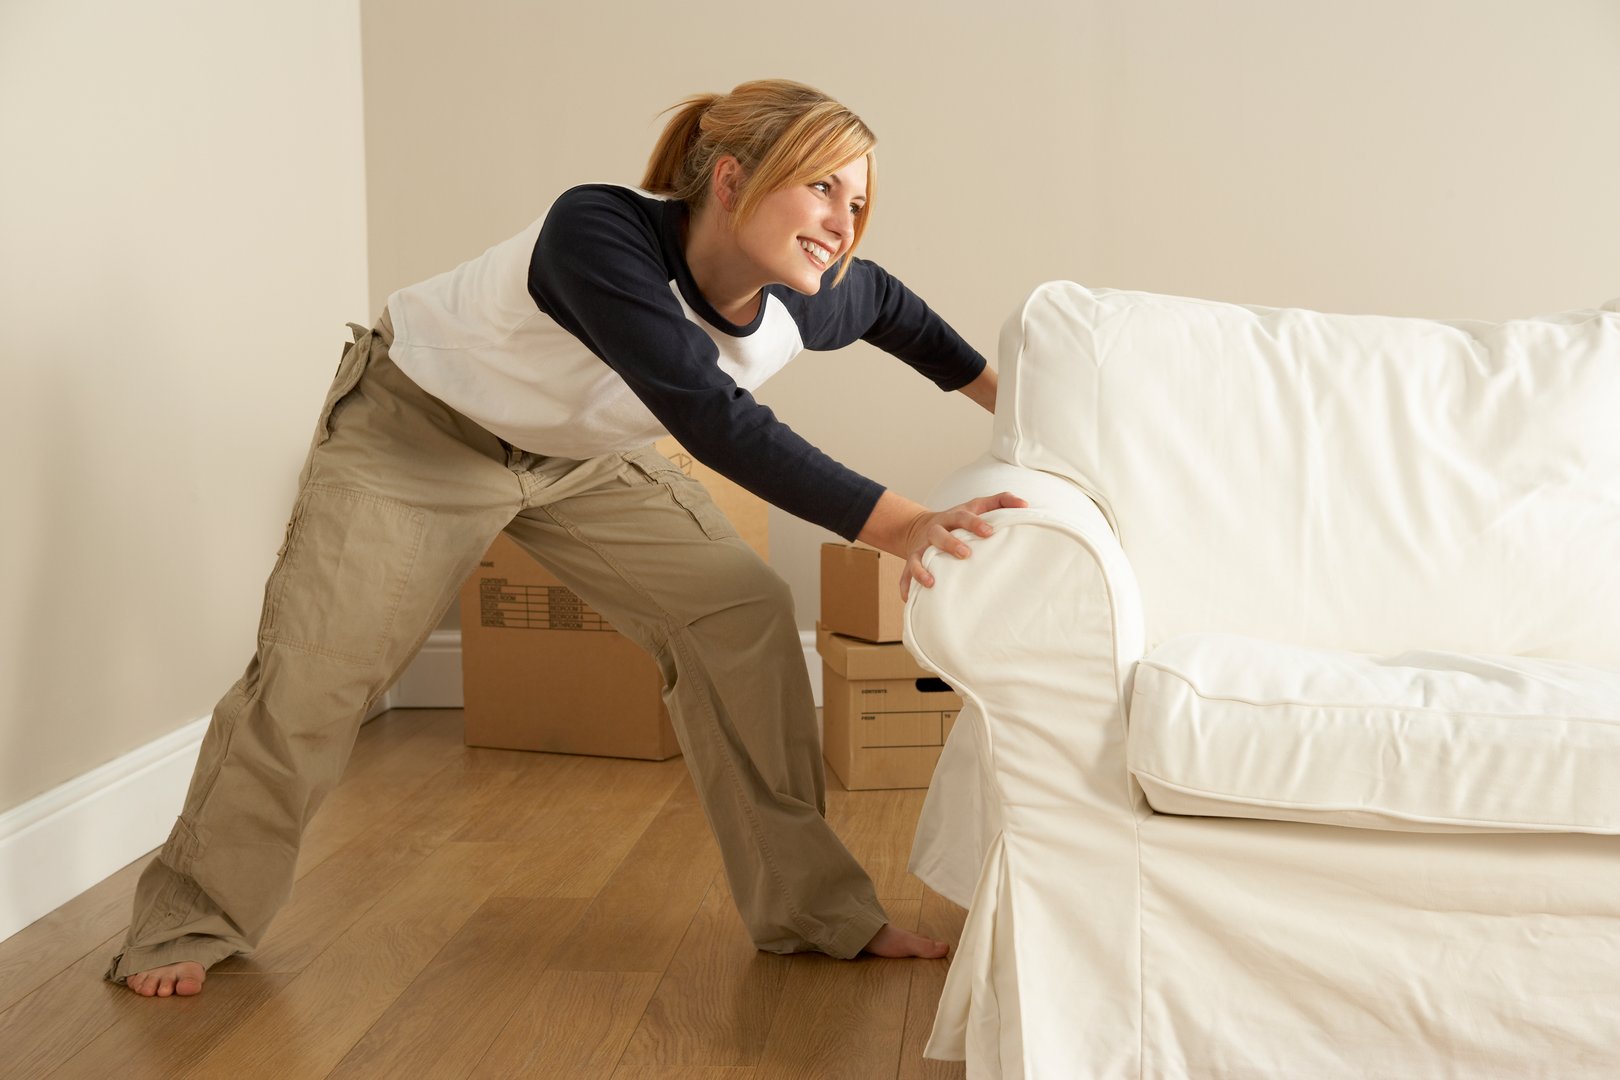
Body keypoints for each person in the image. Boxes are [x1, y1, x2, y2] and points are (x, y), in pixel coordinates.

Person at [110, 78, 1026, 998]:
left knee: (743, 614)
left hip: (586, 458)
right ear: (735, 180)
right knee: (317, 669)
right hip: (422, 432)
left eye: (858, 200)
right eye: (822, 186)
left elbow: (895, 311)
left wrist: (1015, 403)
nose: (842, 221)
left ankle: (816, 913)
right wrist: (903, 525)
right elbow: (711, 417)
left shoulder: (811, 293)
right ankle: (188, 919)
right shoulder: (595, 231)